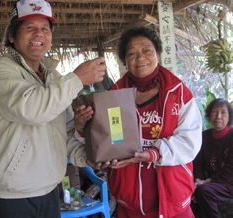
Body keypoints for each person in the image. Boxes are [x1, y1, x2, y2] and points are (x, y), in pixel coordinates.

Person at [0, 0, 106, 217]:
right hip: (10, 196)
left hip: (48, 190)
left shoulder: (53, 77)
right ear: (12, 36)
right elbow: (33, 110)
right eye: (30, 28)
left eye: (45, 29)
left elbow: (65, 130)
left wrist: (87, 154)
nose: (39, 34)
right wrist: (78, 78)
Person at [74, 26, 203, 217]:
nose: (140, 57)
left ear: (157, 54)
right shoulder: (112, 97)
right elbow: (101, 140)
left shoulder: (178, 93)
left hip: (174, 202)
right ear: (125, 61)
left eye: (146, 50)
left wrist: (153, 153)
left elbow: (190, 141)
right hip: (130, 202)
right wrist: (81, 128)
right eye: (132, 53)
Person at [192, 98, 233, 218]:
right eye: (215, 112)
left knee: (204, 191)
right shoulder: (203, 136)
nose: (218, 116)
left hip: (228, 183)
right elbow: (197, 164)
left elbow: (231, 171)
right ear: (209, 115)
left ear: (229, 117)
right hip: (209, 183)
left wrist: (206, 182)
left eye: (223, 112)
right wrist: (198, 181)